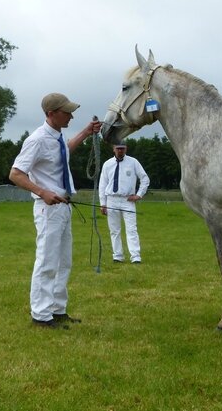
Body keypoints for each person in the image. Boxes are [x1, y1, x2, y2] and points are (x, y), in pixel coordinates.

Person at [9, 92, 101, 329]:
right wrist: (43, 192)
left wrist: (85, 132)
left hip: (63, 207)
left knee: (63, 262)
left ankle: (57, 310)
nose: (71, 115)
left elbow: (64, 152)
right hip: (48, 208)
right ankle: (40, 315)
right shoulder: (37, 140)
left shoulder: (58, 137)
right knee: (47, 261)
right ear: (51, 114)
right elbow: (16, 174)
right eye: (66, 112)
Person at [99, 141, 150, 264]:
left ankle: (135, 256)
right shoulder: (107, 164)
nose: (120, 151)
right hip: (111, 199)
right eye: (118, 148)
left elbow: (145, 178)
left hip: (128, 200)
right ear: (113, 149)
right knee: (114, 230)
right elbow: (102, 184)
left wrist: (139, 195)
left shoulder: (133, 162)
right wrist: (103, 203)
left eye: (122, 148)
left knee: (132, 229)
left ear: (126, 149)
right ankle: (118, 255)